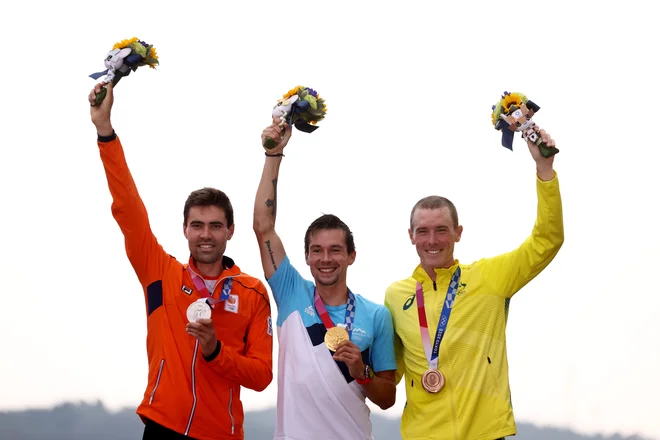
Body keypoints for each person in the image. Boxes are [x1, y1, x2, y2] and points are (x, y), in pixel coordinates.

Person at [88, 82, 273, 440]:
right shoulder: (158, 271)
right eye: (198, 225)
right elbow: (127, 207)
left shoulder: (252, 292)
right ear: (185, 229)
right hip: (162, 427)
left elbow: (262, 376)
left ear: (230, 231)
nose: (206, 234)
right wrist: (105, 131)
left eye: (215, 226)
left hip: (221, 433)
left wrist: (214, 351)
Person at [385, 126, 564, 440]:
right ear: (410, 236)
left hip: (486, 432)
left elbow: (546, 240)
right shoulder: (396, 295)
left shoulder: (490, 277)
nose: (432, 240)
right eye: (422, 231)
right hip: (422, 434)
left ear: (458, 233)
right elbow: (391, 372)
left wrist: (544, 170)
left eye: (441, 230)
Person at [252, 119, 397, 439]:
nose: (326, 259)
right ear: (306, 257)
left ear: (351, 256)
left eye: (335, 250)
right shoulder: (290, 290)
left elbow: (388, 399)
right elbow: (263, 226)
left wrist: (362, 372)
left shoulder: (377, 316)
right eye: (316, 251)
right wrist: (273, 156)